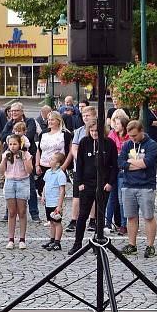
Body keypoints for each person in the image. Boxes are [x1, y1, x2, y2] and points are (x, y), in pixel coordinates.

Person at [69, 119, 117, 255]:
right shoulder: (84, 142)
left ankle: (98, 242)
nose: (94, 133)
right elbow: (80, 164)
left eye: (97, 131)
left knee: (99, 215)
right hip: (87, 184)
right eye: (92, 131)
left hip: (103, 185)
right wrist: (80, 183)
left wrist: (110, 183)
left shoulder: (109, 144)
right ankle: (77, 243)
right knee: (83, 214)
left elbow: (114, 166)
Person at [118, 120, 157, 258]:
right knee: (131, 217)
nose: (132, 138)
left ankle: (150, 246)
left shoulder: (151, 144)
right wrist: (136, 165)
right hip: (128, 185)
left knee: (148, 217)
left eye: (135, 135)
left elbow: (147, 163)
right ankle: (132, 245)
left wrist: (131, 163)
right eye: (130, 136)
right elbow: (121, 163)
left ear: (141, 131)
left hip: (146, 186)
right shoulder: (127, 144)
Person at [1, 102, 40, 221]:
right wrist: (13, 137)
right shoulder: (9, 123)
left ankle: (34, 214)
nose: (13, 113)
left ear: (22, 112)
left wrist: (13, 137)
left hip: (26, 157)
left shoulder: (30, 121)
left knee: (31, 187)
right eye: (12, 111)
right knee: (10, 185)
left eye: (16, 111)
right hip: (11, 159)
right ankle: (9, 214)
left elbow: (29, 134)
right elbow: (3, 136)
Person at [35, 111, 72, 223]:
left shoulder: (65, 134)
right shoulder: (44, 134)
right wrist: (37, 164)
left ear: (58, 121)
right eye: (49, 119)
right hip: (44, 165)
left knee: (58, 191)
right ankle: (49, 216)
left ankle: (57, 214)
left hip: (58, 166)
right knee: (44, 191)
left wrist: (64, 166)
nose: (50, 121)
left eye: (52, 119)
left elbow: (70, 151)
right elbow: (39, 150)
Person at [64, 106, 97, 232]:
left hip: (94, 168)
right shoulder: (79, 131)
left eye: (88, 115)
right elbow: (74, 148)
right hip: (81, 167)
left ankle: (93, 219)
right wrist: (82, 160)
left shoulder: (97, 130)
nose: (85, 118)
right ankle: (74, 219)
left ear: (94, 116)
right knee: (77, 195)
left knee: (93, 194)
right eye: (83, 116)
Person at [0, 135, 33, 249]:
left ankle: (22, 239)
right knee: (12, 212)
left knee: (22, 211)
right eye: (10, 144)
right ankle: (11, 239)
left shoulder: (26, 155)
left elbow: (29, 170)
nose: (13, 147)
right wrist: (4, 159)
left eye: (15, 144)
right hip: (10, 182)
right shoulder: (6, 155)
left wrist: (23, 157)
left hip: (22, 182)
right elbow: (1, 170)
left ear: (20, 144)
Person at [106, 112, 130, 234]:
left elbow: (129, 154)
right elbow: (109, 149)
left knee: (121, 199)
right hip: (112, 169)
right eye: (114, 123)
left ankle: (123, 224)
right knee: (111, 198)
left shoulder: (128, 138)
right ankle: (107, 223)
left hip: (122, 170)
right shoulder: (112, 134)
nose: (115, 125)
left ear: (124, 126)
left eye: (117, 123)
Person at [40, 153, 67, 251]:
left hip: (56, 202)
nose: (49, 160)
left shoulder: (60, 174)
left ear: (57, 164)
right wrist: (43, 195)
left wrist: (59, 205)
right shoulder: (48, 172)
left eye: (52, 159)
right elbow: (45, 185)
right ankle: (52, 240)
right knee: (51, 222)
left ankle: (57, 242)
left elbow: (62, 190)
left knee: (57, 222)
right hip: (49, 201)